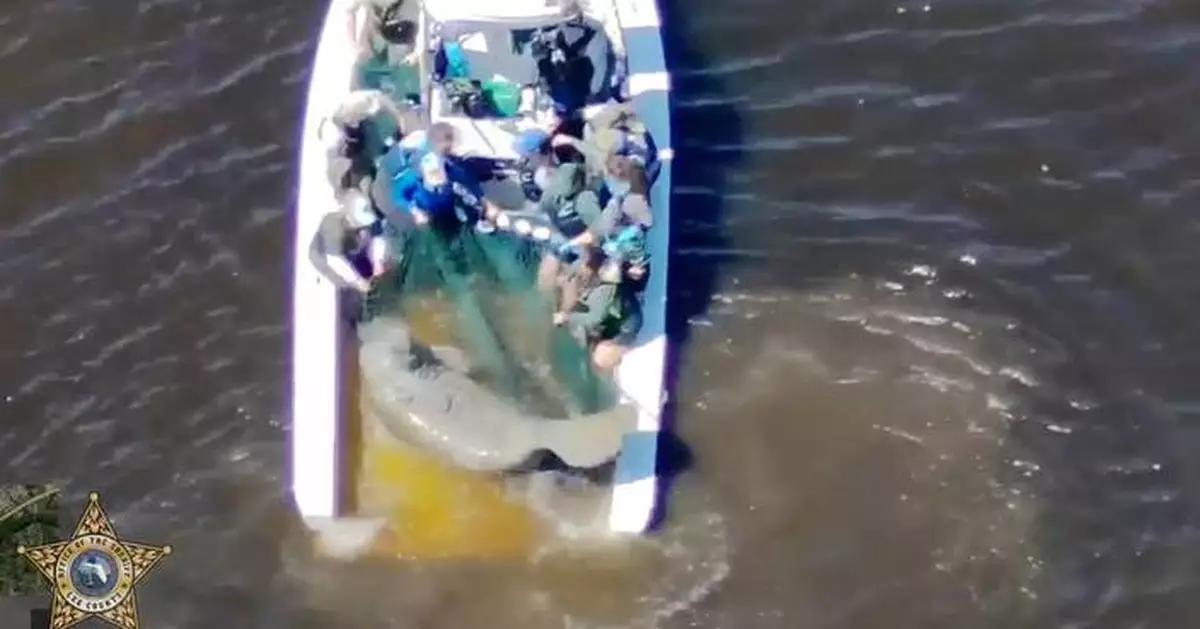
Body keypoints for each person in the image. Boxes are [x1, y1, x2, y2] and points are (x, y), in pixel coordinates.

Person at [528, 163, 604, 301]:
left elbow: (598, 230)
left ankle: (578, 292)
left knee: (577, 269)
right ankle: (553, 296)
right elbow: (539, 213)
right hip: (565, 237)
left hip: (581, 239)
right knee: (552, 269)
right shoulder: (556, 194)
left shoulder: (582, 198)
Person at [553, 254, 642, 370]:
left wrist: (567, 318)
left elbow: (595, 317)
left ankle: (621, 355)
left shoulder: (605, 289)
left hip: (627, 326)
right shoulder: (588, 280)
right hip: (610, 321)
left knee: (600, 356)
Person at [392, 152, 500, 232]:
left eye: (438, 172)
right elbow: (398, 196)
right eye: (432, 173)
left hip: (450, 202)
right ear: (422, 172)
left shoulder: (454, 173)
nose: (436, 177)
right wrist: (415, 211)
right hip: (426, 208)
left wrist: (486, 203)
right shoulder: (411, 179)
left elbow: (472, 185)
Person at [309, 190, 392, 293]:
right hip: (332, 255)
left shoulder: (362, 208)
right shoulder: (333, 236)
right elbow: (338, 265)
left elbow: (377, 233)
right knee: (359, 284)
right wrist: (357, 282)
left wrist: (378, 260)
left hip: (353, 244)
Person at [347, 0, 422, 66]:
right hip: (372, 40)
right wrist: (354, 46)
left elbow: (426, 14)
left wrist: (418, 50)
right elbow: (350, 12)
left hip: (403, 37)